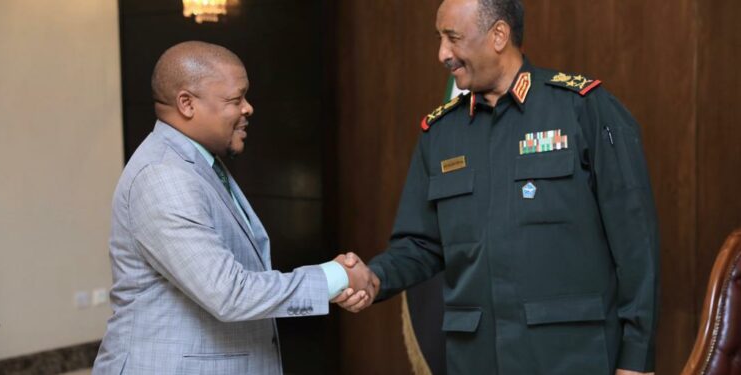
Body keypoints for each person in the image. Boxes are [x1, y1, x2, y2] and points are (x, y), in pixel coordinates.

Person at [335, 0, 660, 374]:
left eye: (453, 38)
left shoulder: (582, 110)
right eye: (439, 39)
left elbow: (637, 244)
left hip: (571, 357)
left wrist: (637, 360)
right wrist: (375, 278)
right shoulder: (440, 134)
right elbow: (420, 244)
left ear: (499, 35)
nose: (443, 53)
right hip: (477, 359)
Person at [93, 41, 373, 374]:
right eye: (235, 99)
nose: (248, 108)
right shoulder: (163, 175)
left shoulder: (199, 163)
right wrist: (336, 276)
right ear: (187, 103)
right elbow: (229, 292)